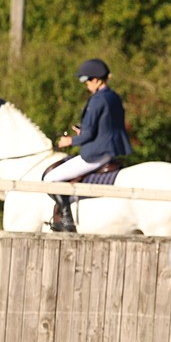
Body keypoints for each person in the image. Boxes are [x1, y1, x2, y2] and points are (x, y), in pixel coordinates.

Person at [45, 58, 133, 232]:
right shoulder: (113, 97)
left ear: (97, 80)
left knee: (50, 178)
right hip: (111, 150)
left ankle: (66, 219)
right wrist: (83, 132)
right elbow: (107, 127)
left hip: (96, 154)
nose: (85, 85)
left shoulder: (97, 100)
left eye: (86, 81)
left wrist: (69, 141)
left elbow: (90, 134)